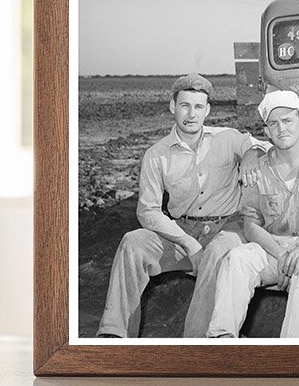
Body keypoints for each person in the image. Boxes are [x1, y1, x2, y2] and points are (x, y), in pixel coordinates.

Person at [96, 73, 263, 339]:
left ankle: (197, 343)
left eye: (198, 107)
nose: (191, 114)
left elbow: (255, 144)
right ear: (172, 106)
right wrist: (188, 242)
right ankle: (114, 336)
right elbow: (148, 210)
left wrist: (253, 155)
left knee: (216, 252)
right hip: (182, 231)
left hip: (228, 228)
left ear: (207, 110)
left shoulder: (228, 138)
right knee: (133, 243)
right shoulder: (156, 154)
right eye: (185, 105)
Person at [208, 90, 299, 339]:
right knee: (238, 258)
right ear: (266, 132)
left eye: (288, 121)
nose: (281, 129)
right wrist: (282, 255)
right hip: (272, 248)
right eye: (273, 124)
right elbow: (251, 225)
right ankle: (222, 339)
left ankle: (292, 357)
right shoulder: (256, 169)